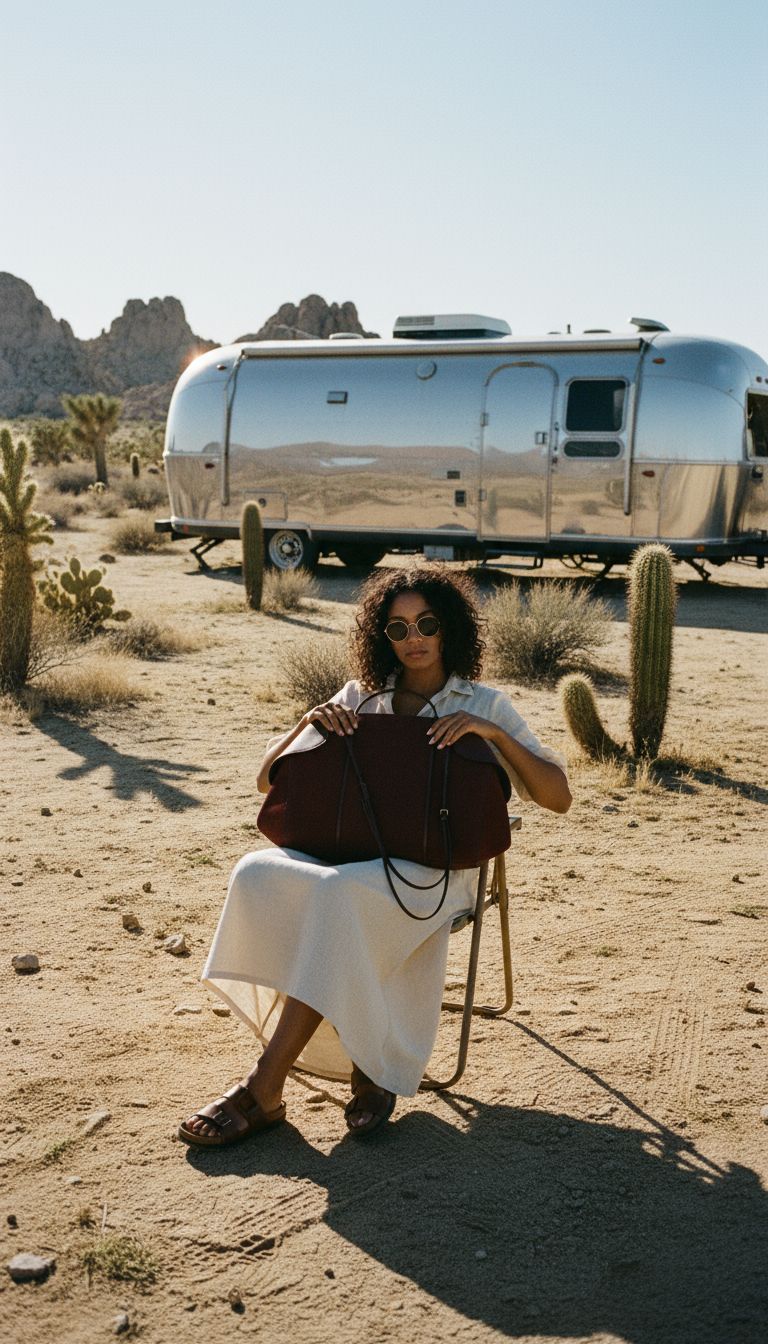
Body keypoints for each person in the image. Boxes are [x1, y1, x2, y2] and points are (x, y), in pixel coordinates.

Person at [179, 565, 571, 1148]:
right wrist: (308, 722)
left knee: (336, 900)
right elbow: (266, 781)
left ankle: (265, 1087)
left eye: (427, 623)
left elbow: (557, 797)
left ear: (450, 629)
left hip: (435, 871)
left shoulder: (483, 700)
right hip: (351, 856)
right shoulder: (362, 694)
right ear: (380, 636)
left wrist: (492, 735)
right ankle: (368, 1062)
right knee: (256, 871)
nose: (414, 637)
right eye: (398, 627)